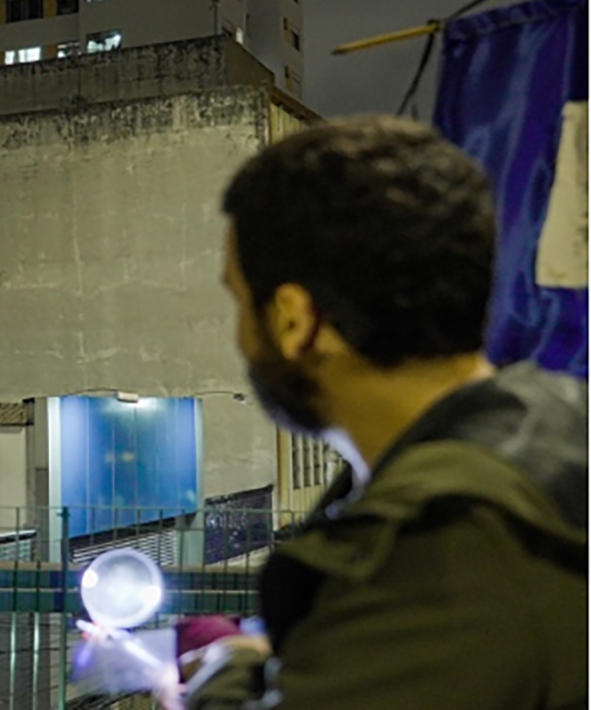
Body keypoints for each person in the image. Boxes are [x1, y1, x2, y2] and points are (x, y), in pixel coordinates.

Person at [175, 116, 588, 709]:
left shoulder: (440, 542)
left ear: (295, 320)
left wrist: (223, 671)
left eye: (240, 300)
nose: (240, 335)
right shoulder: (559, 421)